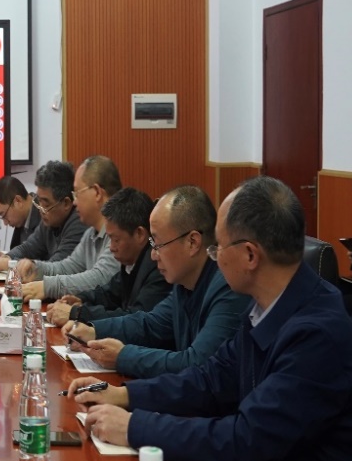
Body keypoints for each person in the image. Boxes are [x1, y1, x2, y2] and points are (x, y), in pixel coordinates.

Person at [71, 176, 352, 461]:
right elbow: (211, 380)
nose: (213, 257)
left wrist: (134, 428)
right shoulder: (268, 306)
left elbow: (247, 439)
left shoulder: (317, 334)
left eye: (218, 246)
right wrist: (125, 395)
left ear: (249, 255)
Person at [63, 185, 248, 377]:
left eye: (159, 244)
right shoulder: (183, 284)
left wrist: (122, 357)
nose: (153, 255)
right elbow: (150, 324)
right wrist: (93, 331)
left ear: (192, 242)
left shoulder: (228, 287)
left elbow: (197, 365)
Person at [47, 187, 169, 325]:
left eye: (116, 240)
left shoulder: (158, 268)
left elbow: (135, 320)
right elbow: (109, 294)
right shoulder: (131, 262)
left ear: (139, 234)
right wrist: (81, 299)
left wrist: (78, 314)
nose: (111, 247)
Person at [18, 156, 119, 301]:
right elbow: (69, 267)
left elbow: (101, 278)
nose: (74, 202)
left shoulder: (120, 231)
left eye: (77, 193)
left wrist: (48, 287)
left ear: (97, 192)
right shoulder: (91, 233)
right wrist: (36, 269)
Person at [0, 172, 84, 268]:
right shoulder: (47, 217)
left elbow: (58, 268)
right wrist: (7, 257)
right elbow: (29, 247)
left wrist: (7, 264)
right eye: (39, 201)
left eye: (46, 204)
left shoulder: (78, 221)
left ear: (66, 203)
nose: (40, 209)